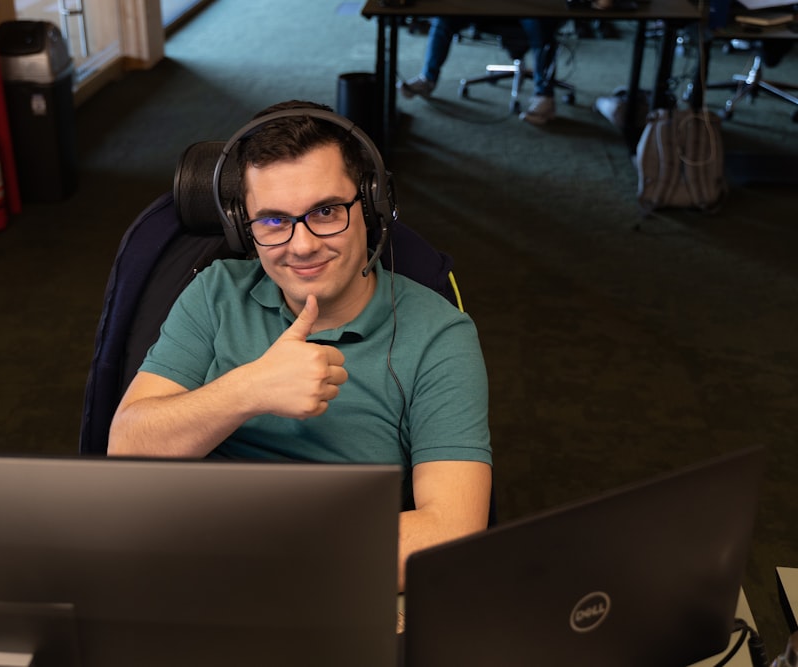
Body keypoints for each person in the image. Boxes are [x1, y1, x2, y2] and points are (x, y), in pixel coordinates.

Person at [108, 100, 493, 590]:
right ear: (241, 226)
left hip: (328, 579)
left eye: (326, 211)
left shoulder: (439, 335)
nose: (303, 245)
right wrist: (249, 390)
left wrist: (256, 554)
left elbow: (449, 532)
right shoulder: (214, 291)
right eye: (273, 220)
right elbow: (127, 449)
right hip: (196, 569)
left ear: (372, 206)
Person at [399, 17, 562, 126]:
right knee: (444, 19)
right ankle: (428, 79)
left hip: (528, 9)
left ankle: (545, 95)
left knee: (542, 28)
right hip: (485, 7)